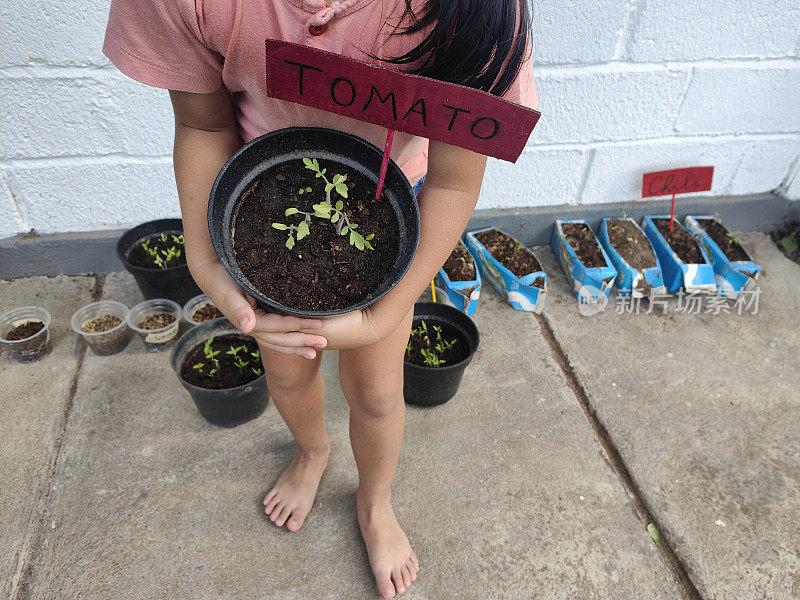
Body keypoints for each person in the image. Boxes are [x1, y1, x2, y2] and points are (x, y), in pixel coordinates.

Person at [103, 1, 537, 597]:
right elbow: (204, 125)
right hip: (262, 196)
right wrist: (206, 262)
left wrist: (385, 312)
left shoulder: (471, 12)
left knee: (379, 392)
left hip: (395, 199)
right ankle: (312, 451)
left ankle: (375, 502)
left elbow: (455, 178)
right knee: (285, 371)